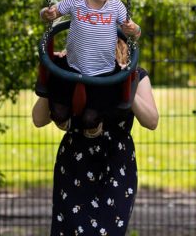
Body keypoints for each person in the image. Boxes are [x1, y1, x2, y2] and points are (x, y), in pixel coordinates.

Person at [33, 61, 159, 236]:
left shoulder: (135, 73)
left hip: (116, 163)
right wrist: (56, 77)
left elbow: (152, 121)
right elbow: (38, 119)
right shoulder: (71, 72)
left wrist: (127, 83)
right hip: (76, 162)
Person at [39, 0, 141, 138]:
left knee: (90, 120)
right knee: (59, 112)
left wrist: (133, 30)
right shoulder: (75, 1)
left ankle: (94, 125)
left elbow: (135, 31)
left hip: (104, 73)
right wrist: (48, 13)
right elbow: (51, 14)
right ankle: (64, 119)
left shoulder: (115, 6)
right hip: (72, 67)